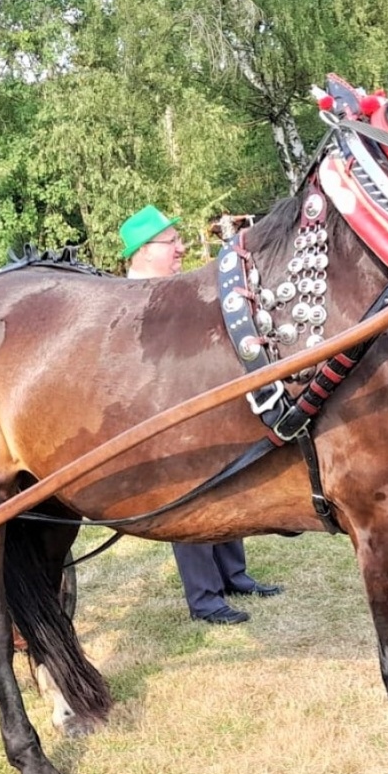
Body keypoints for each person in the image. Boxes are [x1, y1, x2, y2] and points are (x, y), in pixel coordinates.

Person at [120, 204, 282, 625]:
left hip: (201, 402)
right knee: (189, 495)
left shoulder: (176, 288)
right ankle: (205, 599)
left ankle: (234, 575)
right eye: (171, 242)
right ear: (142, 252)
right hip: (163, 415)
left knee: (227, 484)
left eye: (178, 240)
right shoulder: (126, 301)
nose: (181, 248)